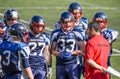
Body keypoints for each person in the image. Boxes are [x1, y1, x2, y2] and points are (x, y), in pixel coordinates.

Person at [51, 11, 85, 79]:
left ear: (73, 22)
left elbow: (82, 49)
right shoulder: (55, 33)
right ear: (60, 23)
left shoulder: (77, 33)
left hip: (73, 63)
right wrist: (59, 54)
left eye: (69, 22)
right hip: (60, 64)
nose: (67, 24)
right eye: (64, 22)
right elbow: (52, 50)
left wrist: (72, 53)